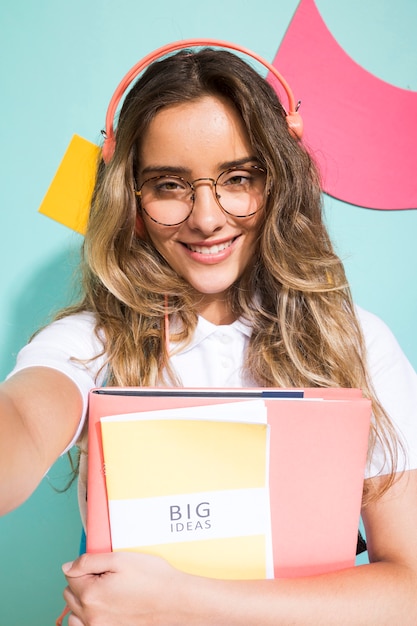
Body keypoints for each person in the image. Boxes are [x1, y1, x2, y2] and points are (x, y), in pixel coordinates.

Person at [1, 43, 417, 625]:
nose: (206, 216)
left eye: (237, 178)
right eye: (170, 185)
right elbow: (22, 419)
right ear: (134, 198)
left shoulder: (357, 343)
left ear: (277, 183)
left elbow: (409, 593)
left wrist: (179, 600)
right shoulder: (92, 340)